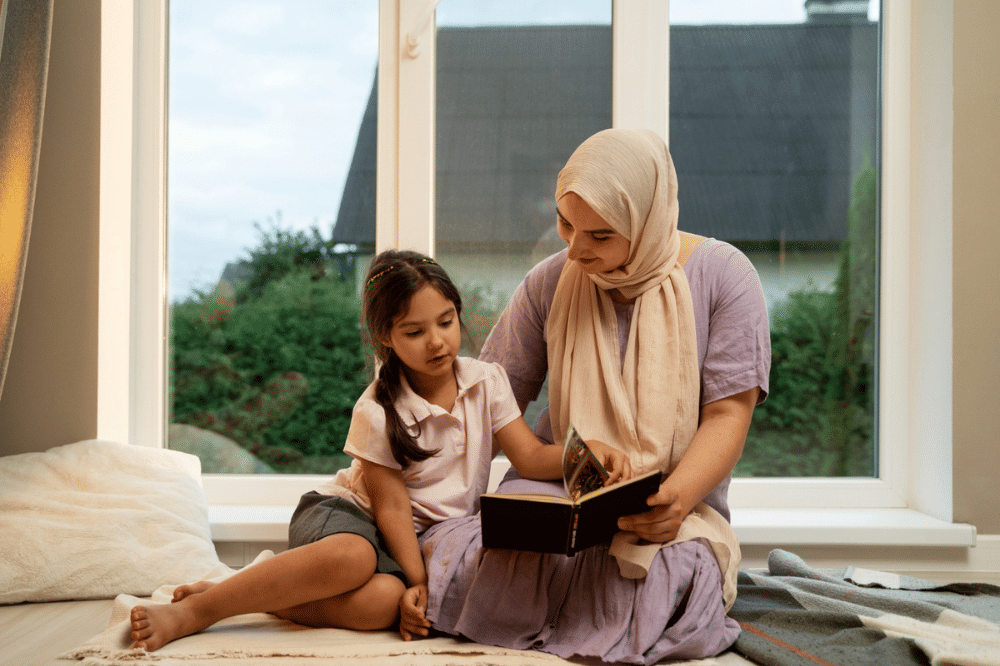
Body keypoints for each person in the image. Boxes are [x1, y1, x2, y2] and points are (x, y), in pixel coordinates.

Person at [128, 249, 629, 652]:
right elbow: (389, 505)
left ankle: (253, 594)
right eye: (415, 331)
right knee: (352, 557)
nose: (437, 341)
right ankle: (199, 611)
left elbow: (528, 457)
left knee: (383, 605)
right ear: (386, 337)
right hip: (345, 517)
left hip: (402, 542)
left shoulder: (487, 381)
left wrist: (584, 452)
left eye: (446, 321)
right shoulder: (377, 409)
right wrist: (423, 580)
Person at [418, 129, 771, 664]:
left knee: (651, 577)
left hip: (670, 507)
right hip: (557, 488)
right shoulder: (548, 281)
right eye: (565, 223)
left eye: (601, 235)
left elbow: (728, 414)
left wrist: (673, 502)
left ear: (648, 221)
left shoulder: (725, 277)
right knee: (494, 551)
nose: (576, 249)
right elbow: (485, 399)